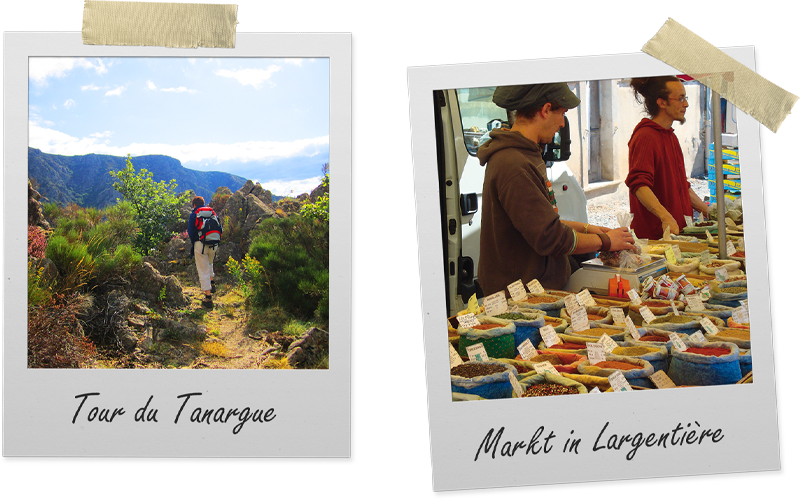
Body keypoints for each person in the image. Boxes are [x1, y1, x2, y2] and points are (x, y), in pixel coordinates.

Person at [476, 83, 637, 296]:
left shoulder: (527, 154)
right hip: (521, 298)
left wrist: (590, 229)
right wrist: (606, 241)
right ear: (545, 110)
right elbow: (549, 236)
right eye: (561, 114)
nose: (562, 123)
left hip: (536, 292)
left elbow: (541, 223)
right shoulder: (513, 163)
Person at [625, 76, 710, 241]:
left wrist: (708, 211)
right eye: (680, 99)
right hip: (656, 238)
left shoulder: (671, 137)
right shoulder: (645, 136)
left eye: (685, 98)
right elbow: (639, 185)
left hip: (679, 234)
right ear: (662, 102)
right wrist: (664, 216)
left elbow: (682, 186)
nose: (685, 104)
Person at [188, 196, 218, 309]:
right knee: (210, 262)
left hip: (200, 243)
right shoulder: (211, 212)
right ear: (204, 203)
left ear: (194, 205)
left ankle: (208, 298)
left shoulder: (194, 214)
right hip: (214, 242)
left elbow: (190, 231)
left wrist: (195, 242)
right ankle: (212, 282)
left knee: (202, 269)